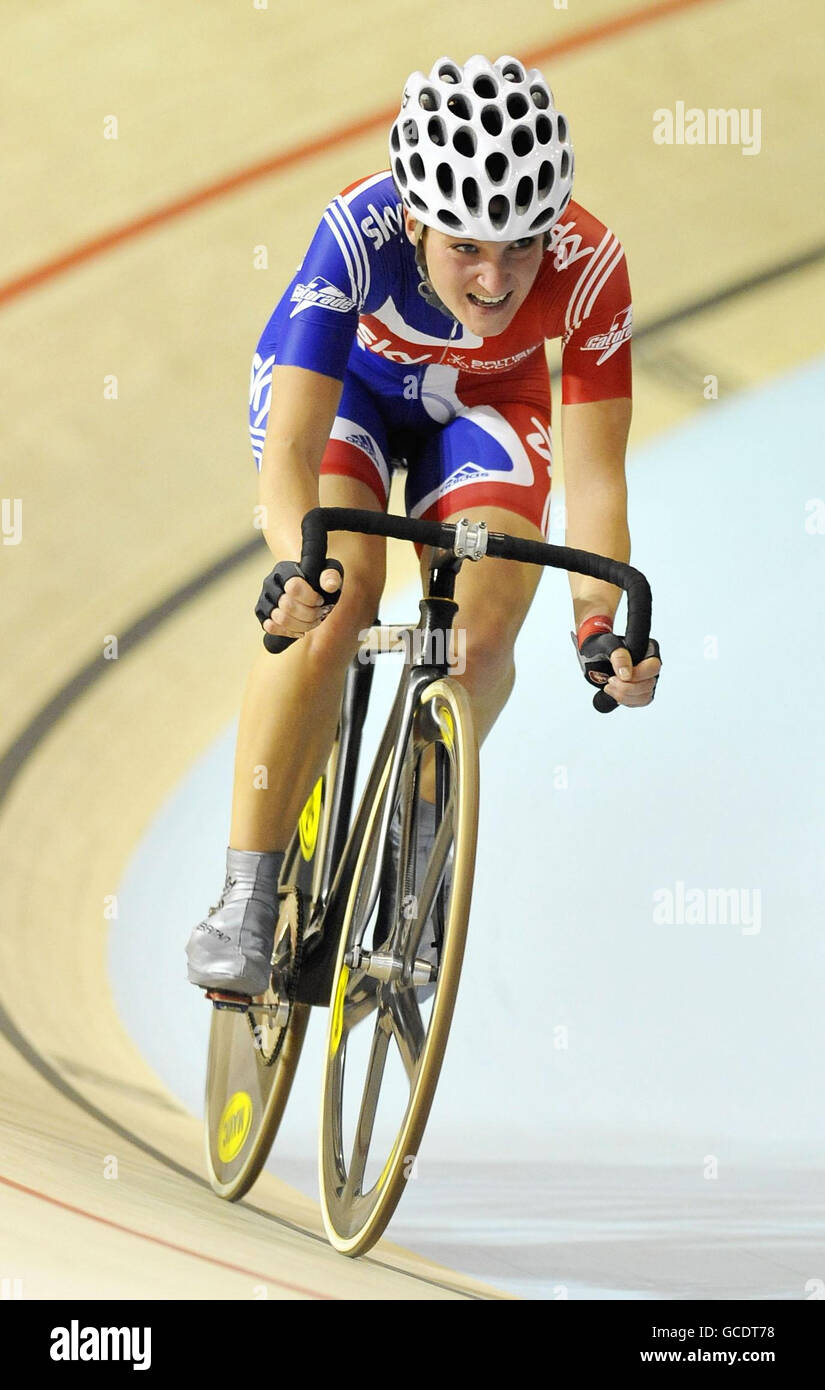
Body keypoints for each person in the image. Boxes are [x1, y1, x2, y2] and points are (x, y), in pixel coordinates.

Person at [186, 54, 661, 997]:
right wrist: (297, 566)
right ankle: (244, 893)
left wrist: (598, 624)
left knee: (482, 639)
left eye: (521, 244)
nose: (496, 280)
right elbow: (291, 454)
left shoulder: (590, 266)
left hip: (486, 409)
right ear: (414, 220)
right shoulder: (355, 233)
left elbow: (596, 484)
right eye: (466, 248)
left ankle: (418, 836)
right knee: (339, 594)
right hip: (349, 394)